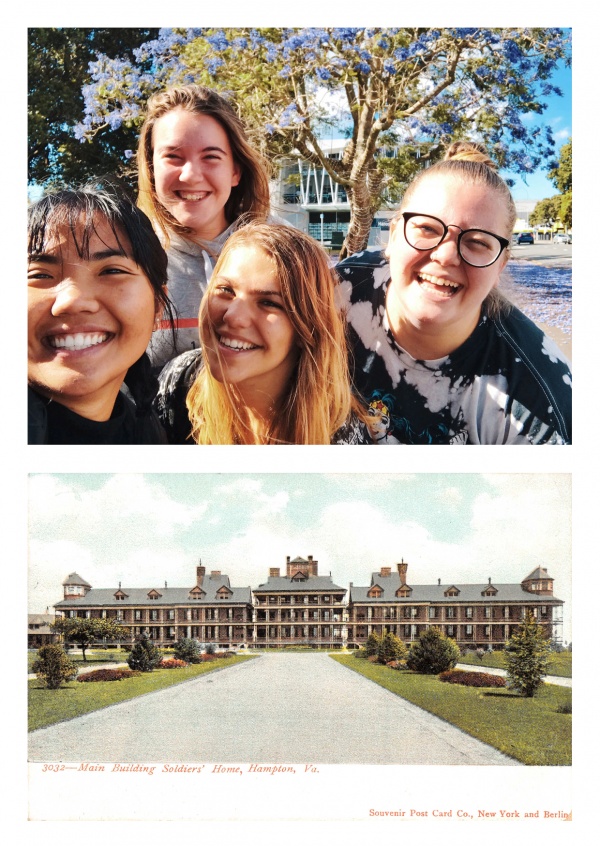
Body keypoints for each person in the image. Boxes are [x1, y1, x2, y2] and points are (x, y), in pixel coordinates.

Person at [336, 141, 572, 444]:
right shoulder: (340, 289)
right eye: (427, 229)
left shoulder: (538, 403)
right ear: (394, 236)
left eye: (477, 241)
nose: (446, 256)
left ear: (500, 265)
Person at [155, 222, 369, 444]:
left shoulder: (339, 437)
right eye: (226, 290)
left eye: (269, 303)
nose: (233, 316)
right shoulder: (178, 382)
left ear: (307, 327)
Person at [137, 84, 271, 369]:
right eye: (173, 157)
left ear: (235, 170)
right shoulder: (127, 259)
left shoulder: (282, 254)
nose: (191, 175)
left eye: (211, 157)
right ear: (151, 168)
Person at [28, 186, 174, 444]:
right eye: (40, 275)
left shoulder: (148, 432)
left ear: (157, 307)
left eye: (111, 271)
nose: (72, 301)